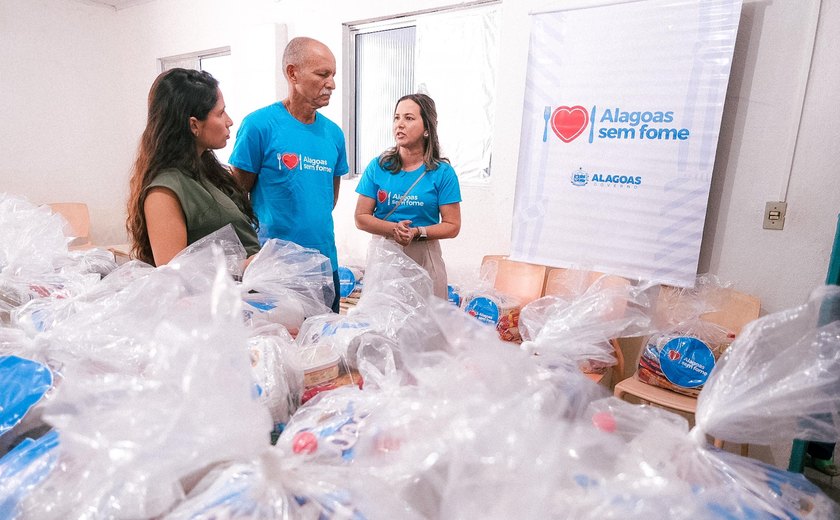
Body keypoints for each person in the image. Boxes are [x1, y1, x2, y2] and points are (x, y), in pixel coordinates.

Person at [229, 37, 348, 313]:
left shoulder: (334, 134)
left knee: (323, 346)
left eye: (333, 75)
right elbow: (237, 200)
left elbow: (328, 198)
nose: (331, 83)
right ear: (292, 73)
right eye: (322, 74)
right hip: (275, 269)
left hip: (323, 265)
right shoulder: (259, 126)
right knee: (279, 347)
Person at [126, 68, 260, 267]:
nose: (229, 121)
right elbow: (173, 274)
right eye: (221, 113)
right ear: (194, 125)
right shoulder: (165, 190)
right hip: (217, 295)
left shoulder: (208, 173)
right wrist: (245, 266)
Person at [354, 93, 461, 299]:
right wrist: (394, 229)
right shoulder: (379, 167)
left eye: (409, 118)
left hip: (424, 255)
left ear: (427, 129)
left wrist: (417, 232)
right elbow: (361, 217)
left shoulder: (442, 173)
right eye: (396, 118)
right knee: (383, 323)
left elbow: (452, 225)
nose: (399, 124)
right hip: (384, 255)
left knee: (427, 326)